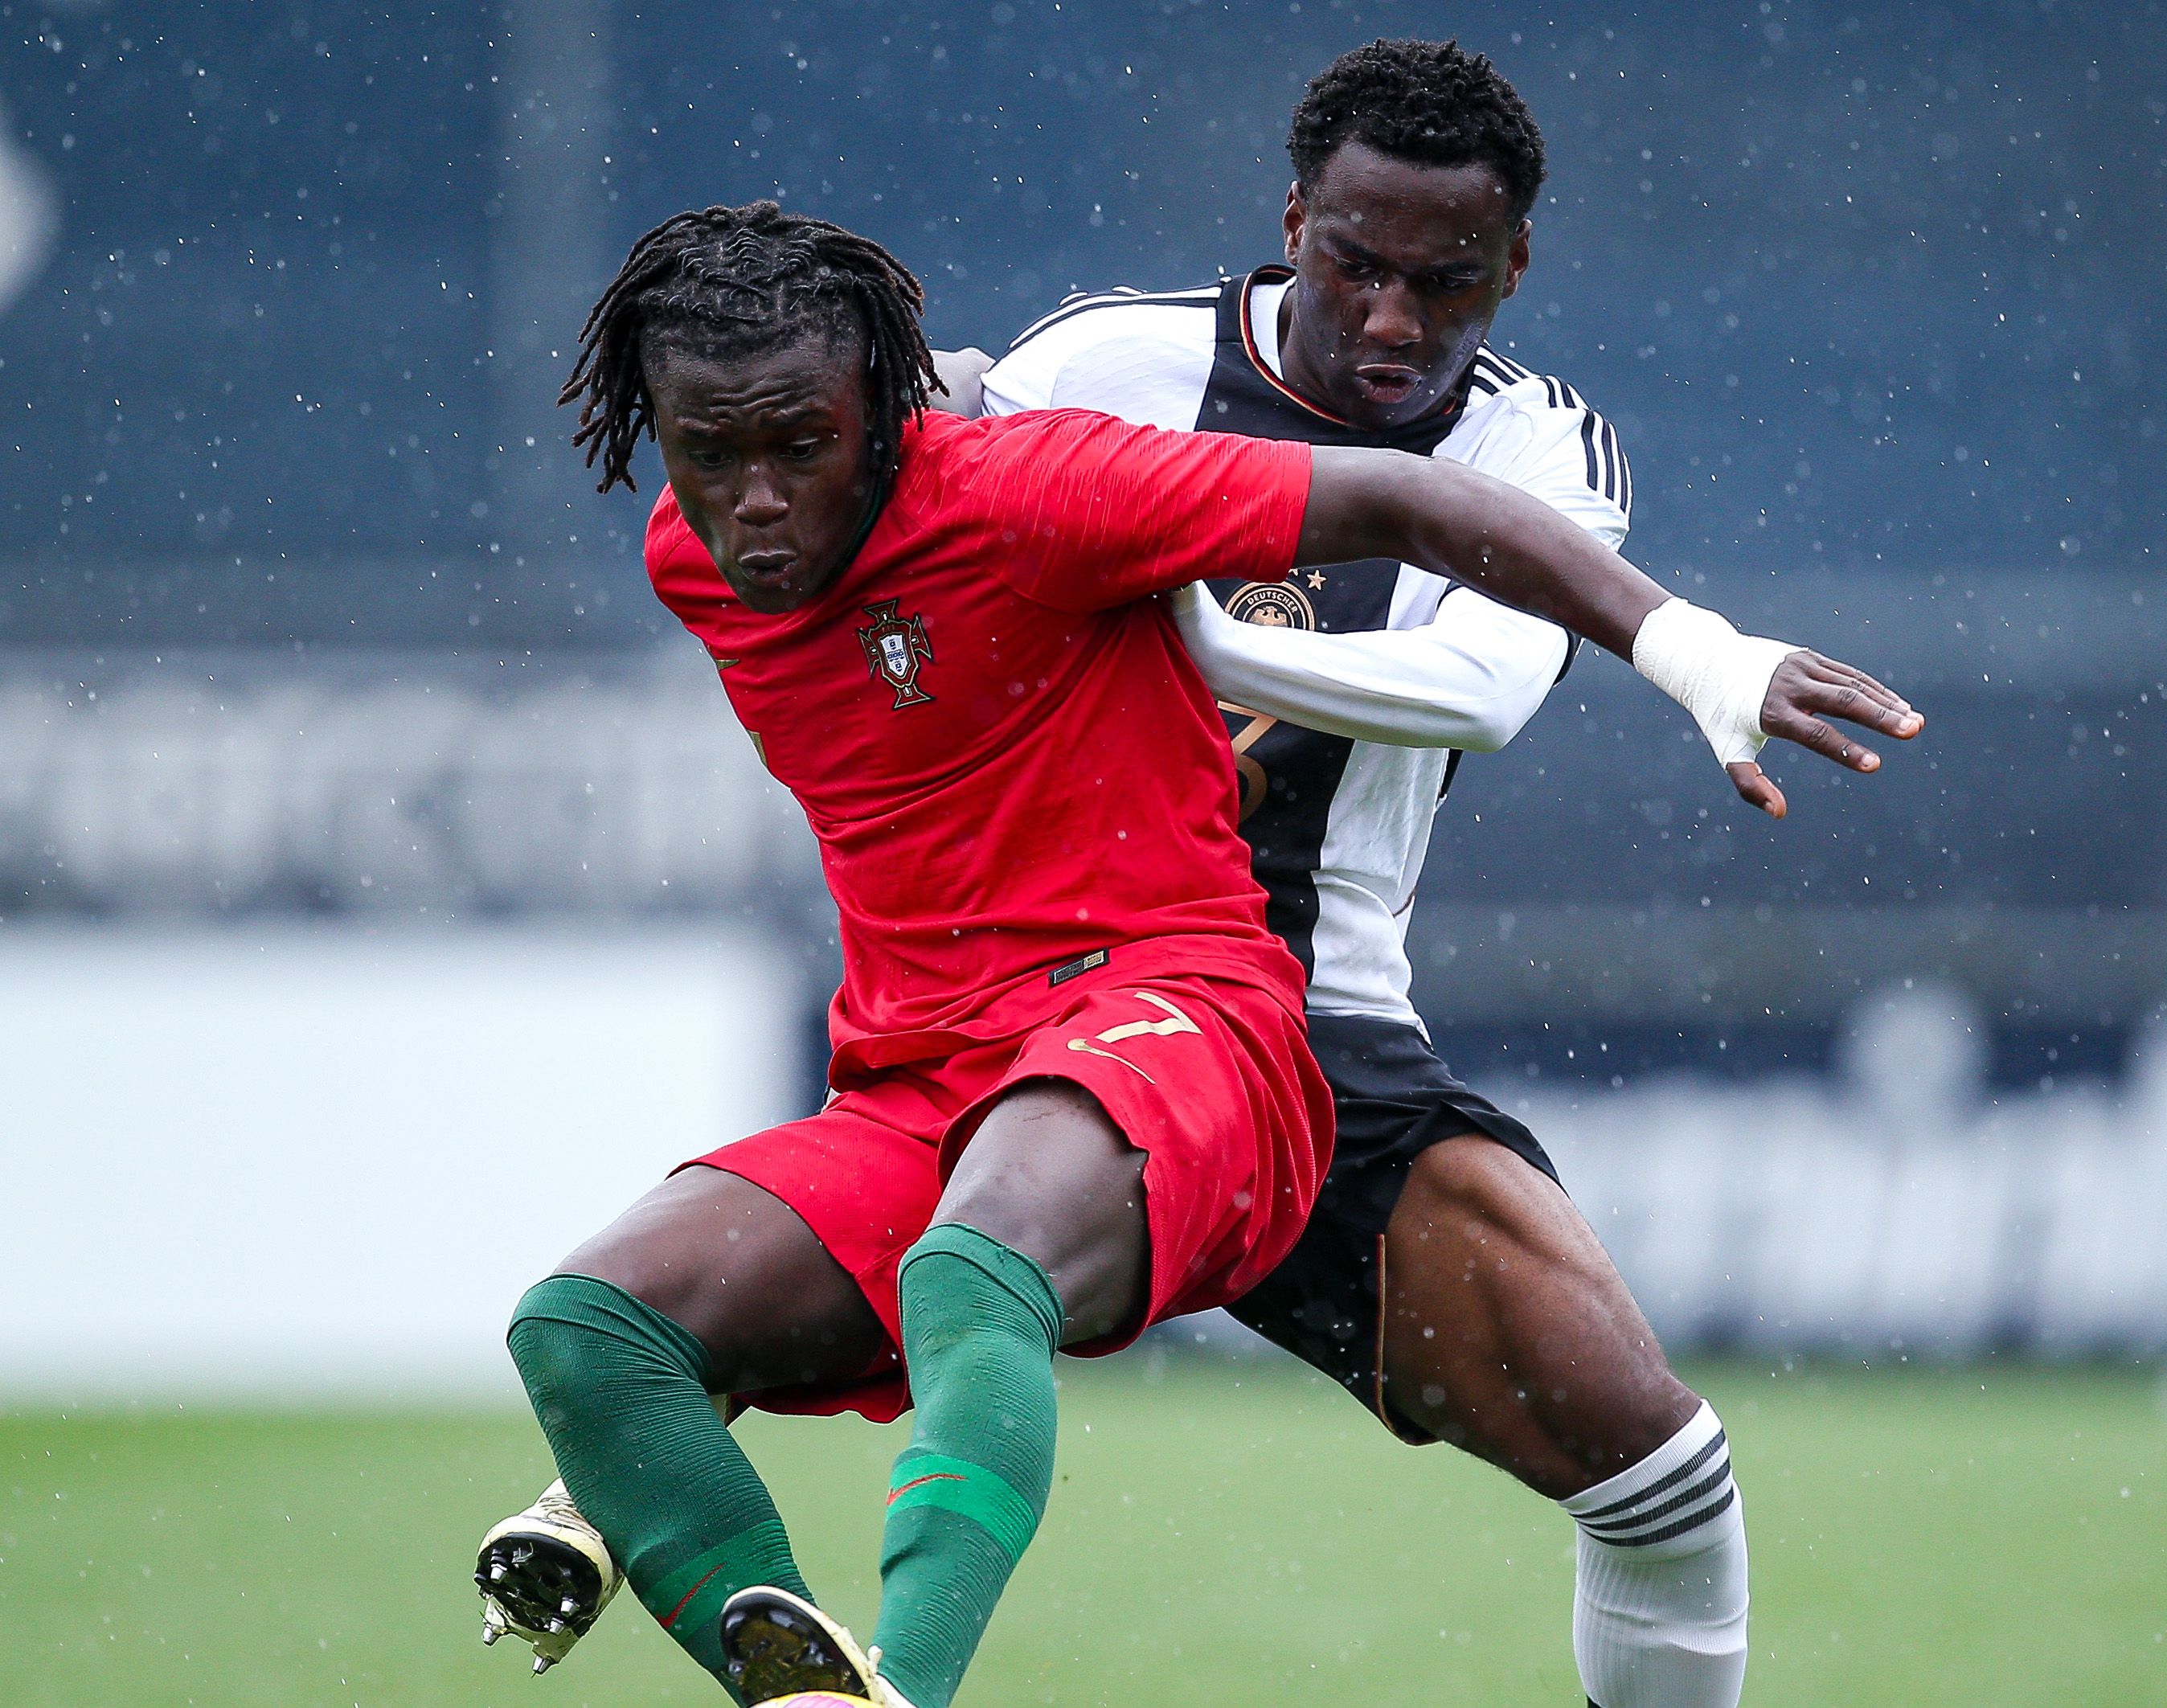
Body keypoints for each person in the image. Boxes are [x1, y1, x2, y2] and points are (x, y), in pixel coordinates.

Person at [477, 195, 1917, 1708]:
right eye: (711, 454)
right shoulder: (708, 547)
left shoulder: (1049, 488)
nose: (755, 499)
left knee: (1001, 1267)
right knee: (585, 1331)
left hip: (1192, 1015)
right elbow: (920, 402)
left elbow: (1425, 519)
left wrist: (1699, 652)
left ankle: (907, 1681)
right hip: (922, 1079)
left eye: (798, 445)